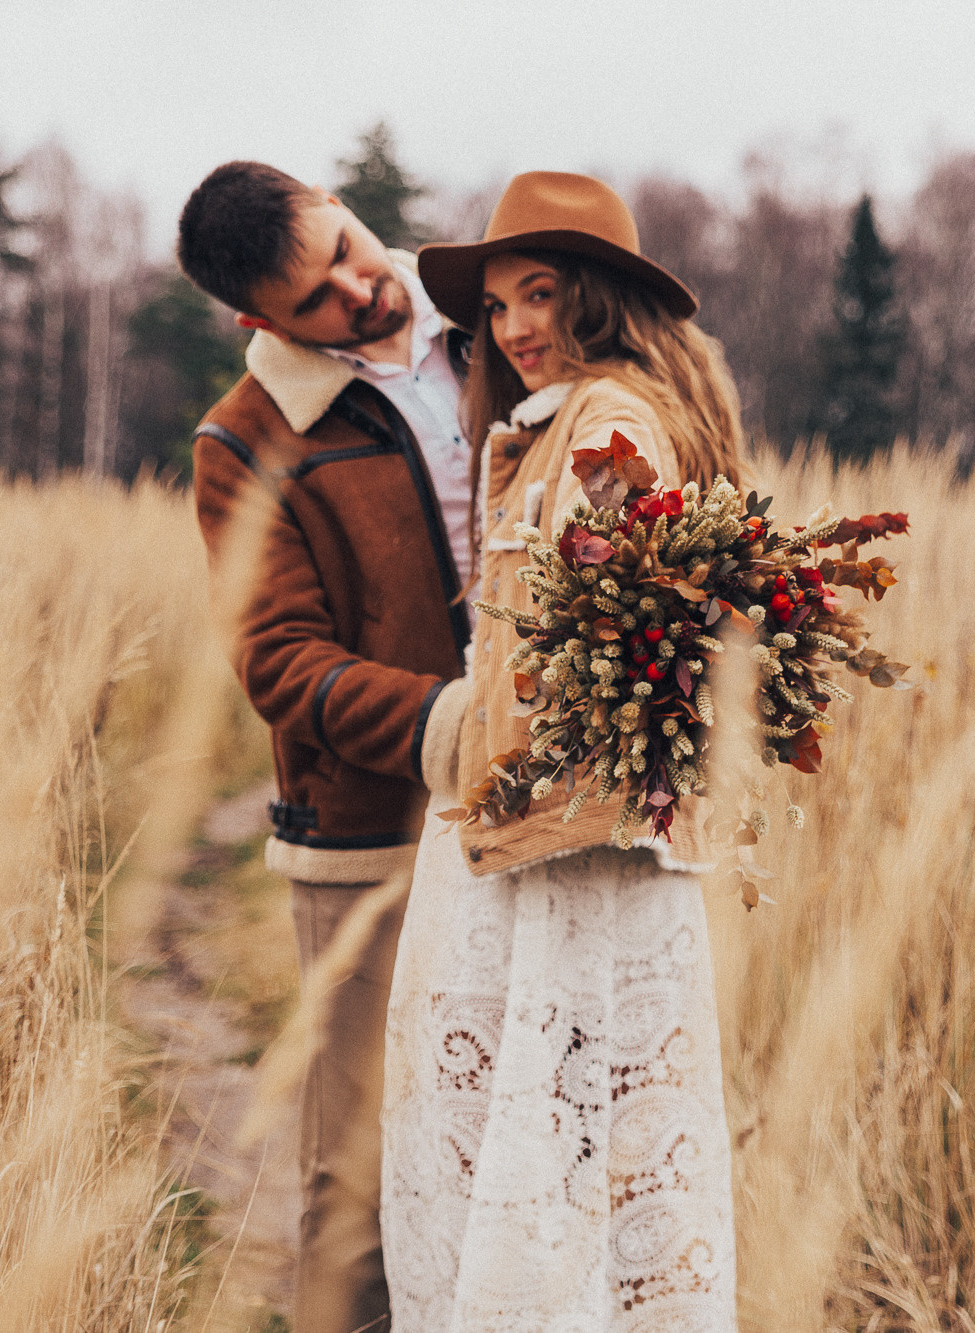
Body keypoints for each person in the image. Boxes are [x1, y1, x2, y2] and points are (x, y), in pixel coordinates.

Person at [384, 172, 745, 1330]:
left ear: (597, 295)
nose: (514, 327)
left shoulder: (609, 422)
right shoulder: (565, 420)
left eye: (538, 293)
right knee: (564, 1143)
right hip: (559, 837)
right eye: (494, 306)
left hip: (571, 855)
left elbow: (637, 615)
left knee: (549, 1142)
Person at [177, 160, 474, 1333]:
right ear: (260, 322)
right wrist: (445, 728)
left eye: (349, 244)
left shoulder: (496, 331)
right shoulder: (244, 442)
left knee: (521, 1138)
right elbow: (278, 660)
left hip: (549, 818)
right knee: (355, 1174)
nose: (361, 287)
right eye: (317, 296)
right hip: (370, 844)